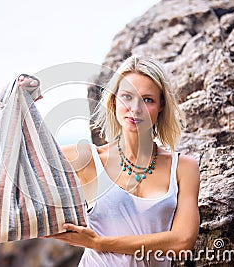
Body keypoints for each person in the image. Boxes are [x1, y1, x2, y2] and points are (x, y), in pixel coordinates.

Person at [17, 55, 200, 266]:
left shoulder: (184, 168)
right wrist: (22, 104)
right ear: (113, 101)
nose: (135, 108)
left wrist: (100, 243)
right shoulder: (88, 159)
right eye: (127, 97)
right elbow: (21, 160)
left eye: (148, 99)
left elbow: (183, 241)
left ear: (161, 106)